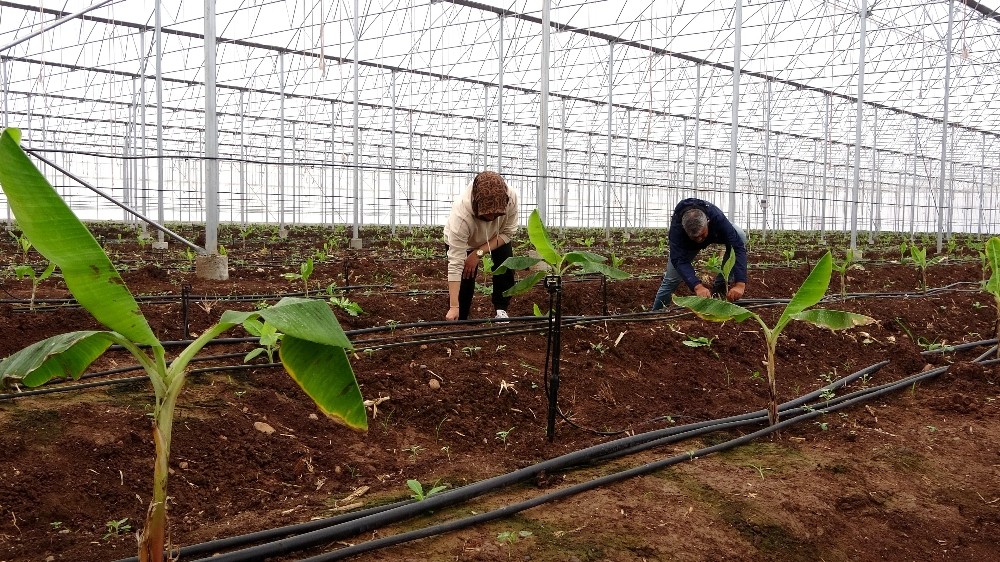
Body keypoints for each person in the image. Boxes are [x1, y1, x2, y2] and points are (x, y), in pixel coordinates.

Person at [443, 171, 519, 321]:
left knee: (505, 267)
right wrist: (453, 307)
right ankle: (461, 315)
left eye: (496, 215)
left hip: (496, 237)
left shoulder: (510, 199)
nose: (491, 219)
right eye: (486, 216)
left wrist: (478, 253)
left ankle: (501, 309)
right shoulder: (461, 217)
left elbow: (508, 233)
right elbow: (455, 265)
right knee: (466, 278)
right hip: (466, 242)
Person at [651, 197, 748, 310]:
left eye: (702, 235)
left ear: (707, 221)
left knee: (740, 235)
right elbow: (679, 259)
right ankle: (656, 312)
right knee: (671, 279)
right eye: (695, 237)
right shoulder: (676, 230)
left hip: (715, 234)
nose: (699, 240)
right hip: (688, 245)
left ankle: (720, 286)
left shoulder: (716, 216)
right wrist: (697, 286)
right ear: (684, 228)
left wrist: (740, 284)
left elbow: (737, 247)